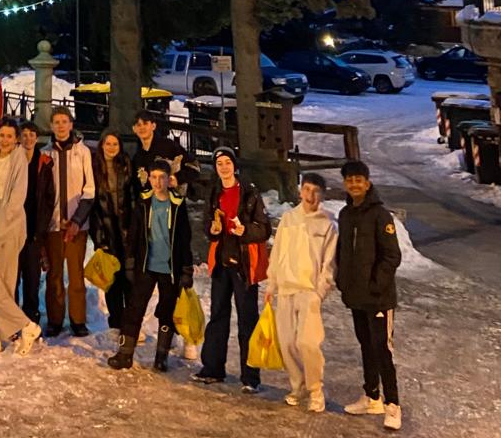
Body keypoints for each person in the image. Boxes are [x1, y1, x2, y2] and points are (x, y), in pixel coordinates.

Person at [193, 147, 271, 392]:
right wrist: (212, 229)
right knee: (217, 315)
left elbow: (264, 228)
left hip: (243, 264)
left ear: (234, 166)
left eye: (227, 162)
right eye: (219, 164)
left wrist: (245, 231)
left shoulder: (249, 192)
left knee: (247, 319)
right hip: (221, 262)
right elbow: (207, 223)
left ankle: (250, 376)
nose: (224, 167)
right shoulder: (214, 192)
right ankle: (213, 368)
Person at [107, 158, 193, 371]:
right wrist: (130, 261)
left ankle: (161, 356)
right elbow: (134, 234)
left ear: (169, 179)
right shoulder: (143, 202)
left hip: (170, 268)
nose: (157, 182)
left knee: (167, 310)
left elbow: (184, 238)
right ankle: (125, 353)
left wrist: (186, 268)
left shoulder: (177, 205)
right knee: (134, 308)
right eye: (153, 177)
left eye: (162, 177)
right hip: (146, 265)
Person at [263, 171, 338, 412]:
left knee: (308, 343)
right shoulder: (289, 218)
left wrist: (320, 292)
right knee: (287, 343)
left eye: (316, 191)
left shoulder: (328, 224)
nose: (310, 195)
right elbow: (278, 252)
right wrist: (272, 284)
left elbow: (329, 263)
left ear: (322, 195)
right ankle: (298, 385)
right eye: (307, 189)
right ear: (300, 191)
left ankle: (316, 390)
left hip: (309, 291)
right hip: (286, 289)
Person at [337, 158, 402, 431]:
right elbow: (342, 251)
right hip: (356, 296)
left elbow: (392, 255)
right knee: (366, 346)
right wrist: (342, 280)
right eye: (349, 180)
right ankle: (372, 396)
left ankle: (393, 404)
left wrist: (376, 284)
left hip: (378, 298)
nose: (354, 184)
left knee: (382, 349)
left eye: (359, 180)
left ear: (367, 183)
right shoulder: (345, 214)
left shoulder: (380, 215)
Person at [0, 119, 41, 354]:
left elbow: (17, 197)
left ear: (16, 139)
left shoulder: (19, 158)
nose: (5, 140)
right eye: (2, 135)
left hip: (10, 225)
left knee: (4, 282)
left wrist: (3, 227)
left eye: (9, 136)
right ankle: (26, 326)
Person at [42, 106, 95, 337]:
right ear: (51, 126)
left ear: (71, 124)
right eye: (57, 122)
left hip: (77, 224)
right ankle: (55, 319)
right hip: (53, 224)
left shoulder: (82, 152)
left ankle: (78, 319)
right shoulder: (45, 153)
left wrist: (77, 220)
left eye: (65, 121)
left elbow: (89, 189)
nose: (61, 126)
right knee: (54, 274)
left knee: (75, 274)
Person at [90, 130, 133, 331]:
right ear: (102, 145)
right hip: (106, 228)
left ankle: (130, 320)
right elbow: (93, 205)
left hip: (126, 227)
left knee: (129, 276)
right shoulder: (94, 167)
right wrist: (99, 236)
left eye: (115, 144)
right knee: (112, 277)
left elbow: (132, 196)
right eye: (108, 144)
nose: (111, 148)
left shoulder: (125, 164)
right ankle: (116, 320)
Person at [16, 124, 54, 327]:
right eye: (25, 135)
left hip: (34, 229)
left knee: (32, 277)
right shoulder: (14, 160)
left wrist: (42, 227)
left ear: (37, 138)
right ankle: (13, 319)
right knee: (12, 277)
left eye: (32, 135)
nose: (28, 138)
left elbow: (49, 197)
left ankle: (31, 319)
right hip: (14, 228)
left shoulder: (44, 163)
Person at [128, 110, 198, 196]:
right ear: (134, 129)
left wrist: (177, 178)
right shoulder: (137, 158)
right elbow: (137, 186)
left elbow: (194, 167)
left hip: (172, 201)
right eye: (138, 125)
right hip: (149, 202)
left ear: (153, 126)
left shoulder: (169, 146)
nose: (142, 127)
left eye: (145, 123)